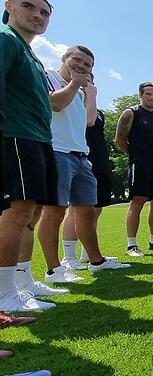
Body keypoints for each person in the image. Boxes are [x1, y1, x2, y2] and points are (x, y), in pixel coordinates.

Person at [38, 45, 129, 284]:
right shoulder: (49, 76)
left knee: (87, 212)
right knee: (55, 212)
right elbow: (55, 104)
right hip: (57, 151)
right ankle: (54, 270)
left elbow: (89, 121)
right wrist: (75, 84)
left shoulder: (79, 91)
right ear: (64, 59)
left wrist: (87, 91)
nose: (81, 66)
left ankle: (96, 262)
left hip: (81, 156)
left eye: (87, 65)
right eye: (77, 60)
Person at [0, 0, 57, 311]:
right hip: (16, 136)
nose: (37, 15)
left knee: (31, 215)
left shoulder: (29, 53)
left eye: (44, 12)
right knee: (16, 213)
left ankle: (23, 284)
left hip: (38, 139)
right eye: (29, 6)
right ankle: (5, 295)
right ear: (9, 6)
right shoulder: (6, 39)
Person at [115, 81, 153, 256]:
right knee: (138, 202)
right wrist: (135, 155)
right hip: (140, 164)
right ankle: (131, 246)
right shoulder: (131, 113)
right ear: (141, 95)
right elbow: (119, 139)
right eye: (148, 94)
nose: (151, 97)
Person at [60, 90, 113, 266]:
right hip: (75, 157)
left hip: (98, 161)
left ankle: (88, 254)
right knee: (74, 210)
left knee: (94, 210)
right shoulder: (70, 105)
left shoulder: (99, 113)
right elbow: (87, 123)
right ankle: (69, 258)